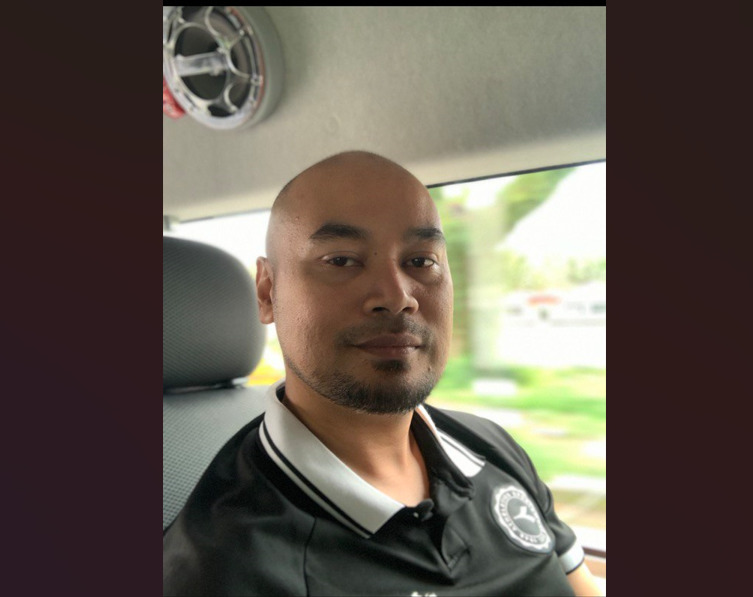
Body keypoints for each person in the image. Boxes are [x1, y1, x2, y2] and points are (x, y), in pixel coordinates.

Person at [163, 151, 603, 596]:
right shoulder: (225, 569)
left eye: (421, 261)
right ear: (267, 292)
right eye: (341, 260)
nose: (396, 297)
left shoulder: (490, 447)